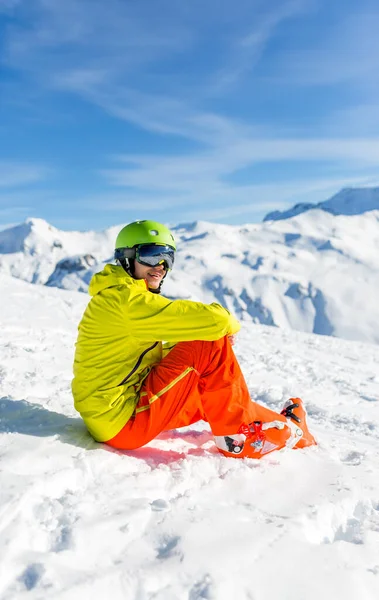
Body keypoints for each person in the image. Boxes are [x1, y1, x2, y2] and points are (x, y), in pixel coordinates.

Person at [72, 219, 316, 459]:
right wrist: (215, 336)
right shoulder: (128, 302)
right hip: (123, 423)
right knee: (207, 343)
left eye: (167, 258)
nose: (160, 266)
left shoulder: (119, 296)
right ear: (127, 257)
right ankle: (240, 438)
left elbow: (142, 353)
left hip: (111, 416)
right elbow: (218, 321)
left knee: (213, 397)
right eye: (151, 255)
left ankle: (288, 428)